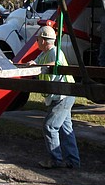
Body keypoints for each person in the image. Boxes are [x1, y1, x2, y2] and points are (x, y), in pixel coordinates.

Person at [28, 25, 80, 169]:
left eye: (38, 39)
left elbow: (55, 64)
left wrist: (39, 66)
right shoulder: (44, 53)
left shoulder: (55, 52)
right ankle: (73, 161)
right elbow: (37, 63)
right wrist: (32, 65)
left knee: (50, 126)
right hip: (62, 94)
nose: (37, 41)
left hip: (63, 94)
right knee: (65, 128)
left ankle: (56, 160)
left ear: (44, 40)